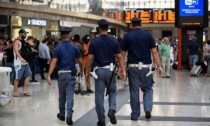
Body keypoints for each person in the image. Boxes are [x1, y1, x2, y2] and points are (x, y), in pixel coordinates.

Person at [85, 19, 126, 126]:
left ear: (99, 29)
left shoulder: (94, 42)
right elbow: (120, 57)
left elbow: (89, 58)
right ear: (108, 29)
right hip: (111, 70)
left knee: (99, 95)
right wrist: (123, 70)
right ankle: (112, 109)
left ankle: (101, 120)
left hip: (98, 71)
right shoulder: (114, 41)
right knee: (112, 91)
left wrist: (86, 72)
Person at [121, 17, 162, 121]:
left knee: (134, 91)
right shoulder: (148, 35)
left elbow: (122, 54)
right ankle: (147, 109)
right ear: (141, 24)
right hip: (146, 68)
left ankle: (135, 114)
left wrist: (122, 69)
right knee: (148, 89)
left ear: (131, 24)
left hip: (132, 67)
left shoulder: (127, 36)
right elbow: (154, 52)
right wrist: (159, 66)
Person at [47, 29, 83, 125]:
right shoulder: (75, 47)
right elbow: (80, 61)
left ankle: (62, 114)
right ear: (69, 36)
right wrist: (82, 71)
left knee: (62, 95)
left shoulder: (58, 48)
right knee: (70, 95)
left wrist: (49, 75)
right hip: (71, 75)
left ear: (61, 36)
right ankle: (69, 117)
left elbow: (54, 62)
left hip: (61, 75)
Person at [13, 29, 33, 97]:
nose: (26, 35)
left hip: (25, 62)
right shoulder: (17, 41)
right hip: (19, 62)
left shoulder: (24, 41)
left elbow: (32, 44)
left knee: (29, 75)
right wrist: (21, 58)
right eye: (25, 33)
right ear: (21, 34)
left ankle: (24, 90)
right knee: (17, 77)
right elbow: (16, 50)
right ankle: (15, 92)